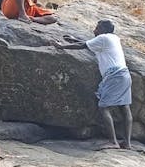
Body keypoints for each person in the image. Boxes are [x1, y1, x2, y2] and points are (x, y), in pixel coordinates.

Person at [55, 20, 133, 149]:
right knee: (125, 108)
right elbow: (89, 45)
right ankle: (128, 143)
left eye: (97, 28)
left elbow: (83, 46)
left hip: (114, 76)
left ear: (103, 29)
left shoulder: (102, 38)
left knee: (104, 107)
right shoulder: (113, 38)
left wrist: (61, 47)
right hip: (124, 74)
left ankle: (113, 142)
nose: (94, 30)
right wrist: (74, 40)